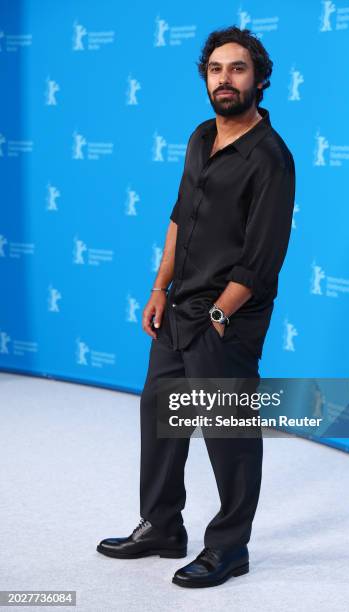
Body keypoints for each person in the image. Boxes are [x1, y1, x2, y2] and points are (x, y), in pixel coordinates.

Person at [97, 25, 296, 588]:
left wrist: (217, 316)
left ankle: (230, 547)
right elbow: (180, 218)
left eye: (237, 68)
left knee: (226, 430)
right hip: (180, 305)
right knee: (160, 415)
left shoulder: (272, 159)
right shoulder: (199, 137)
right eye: (215, 69)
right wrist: (160, 288)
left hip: (226, 314)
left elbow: (261, 261)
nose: (225, 79)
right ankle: (161, 526)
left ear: (259, 77)